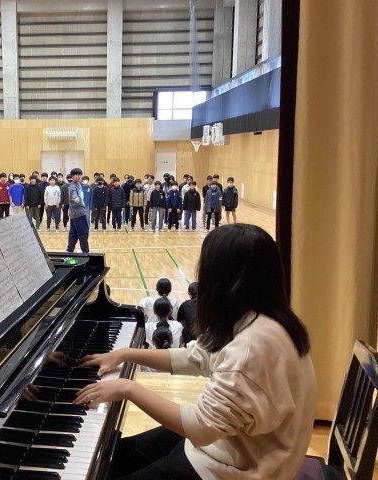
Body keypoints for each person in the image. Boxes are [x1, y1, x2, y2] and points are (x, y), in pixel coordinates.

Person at [75, 224, 316, 480]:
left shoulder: (253, 348)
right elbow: (196, 356)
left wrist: (127, 388)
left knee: (113, 464)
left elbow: (200, 427)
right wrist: (126, 354)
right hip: (229, 445)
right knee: (116, 456)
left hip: (239, 470)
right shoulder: (260, 317)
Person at [66, 168, 89, 254]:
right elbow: (73, 194)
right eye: (76, 175)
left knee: (73, 233)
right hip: (78, 213)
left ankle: (69, 250)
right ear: (72, 176)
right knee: (83, 233)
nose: (78, 176)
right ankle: (85, 251)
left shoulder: (78, 184)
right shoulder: (73, 186)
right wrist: (75, 198)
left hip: (75, 213)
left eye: (80, 175)